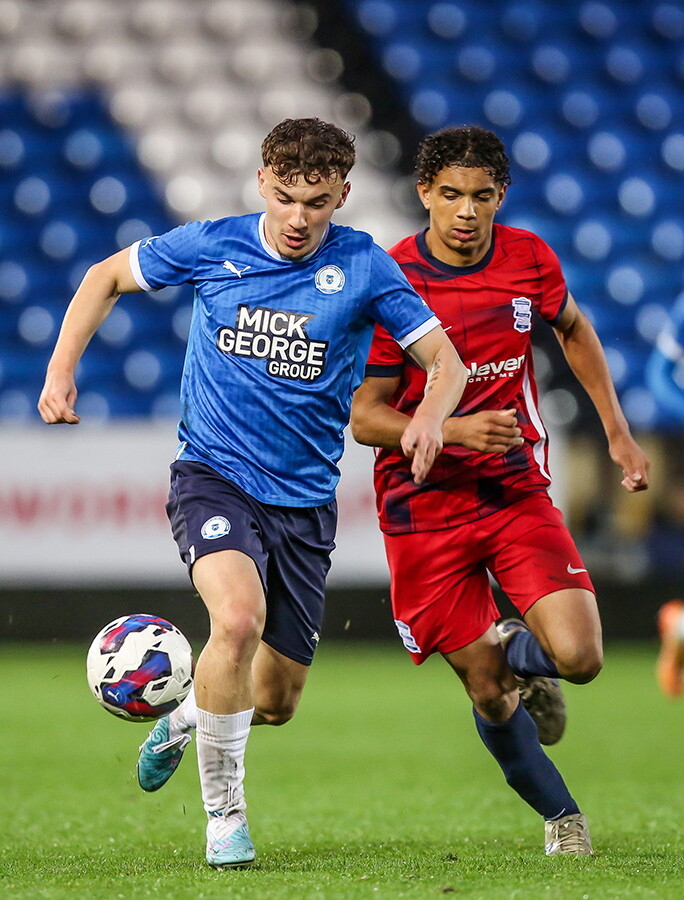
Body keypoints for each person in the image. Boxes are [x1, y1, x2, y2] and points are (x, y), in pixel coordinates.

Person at [38, 118, 467, 869]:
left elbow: (445, 358)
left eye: (320, 202)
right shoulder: (213, 245)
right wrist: (60, 371)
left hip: (302, 502)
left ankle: (185, 720)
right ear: (263, 182)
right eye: (289, 197)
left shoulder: (363, 266)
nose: (301, 218)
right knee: (235, 619)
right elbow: (102, 275)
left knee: (275, 700)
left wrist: (429, 415)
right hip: (213, 476)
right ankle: (225, 821)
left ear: (344, 195)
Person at [350, 125, 651, 856]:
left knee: (580, 659)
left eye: (481, 197)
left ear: (500, 197)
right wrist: (451, 431)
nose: (465, 211)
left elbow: (574, 329)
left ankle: (518, 644)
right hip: (422, 509)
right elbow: (365, 416)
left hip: (514, 492)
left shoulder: (528, 259)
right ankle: (563, 819)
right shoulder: (393, 280)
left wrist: (616, 430)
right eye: (450, 195)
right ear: (424, 193)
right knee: (487, 689)